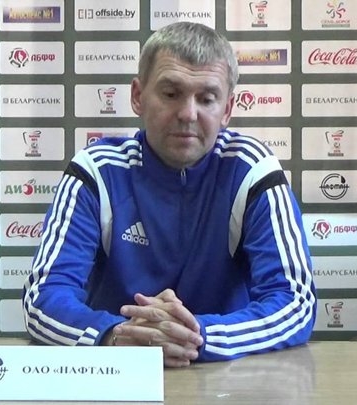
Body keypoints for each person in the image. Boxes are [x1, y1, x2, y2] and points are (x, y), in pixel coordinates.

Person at [22, 21, 316, 368]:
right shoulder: (96, 171)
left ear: (227, 110)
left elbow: (295, 302)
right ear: (138, 97)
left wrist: (197, 336)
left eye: (206, 99)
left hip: (226, 376)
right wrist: (115, 334)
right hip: (119, 372)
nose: (188, 114)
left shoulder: (252, 170)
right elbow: (43, 298)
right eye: (171, 94)